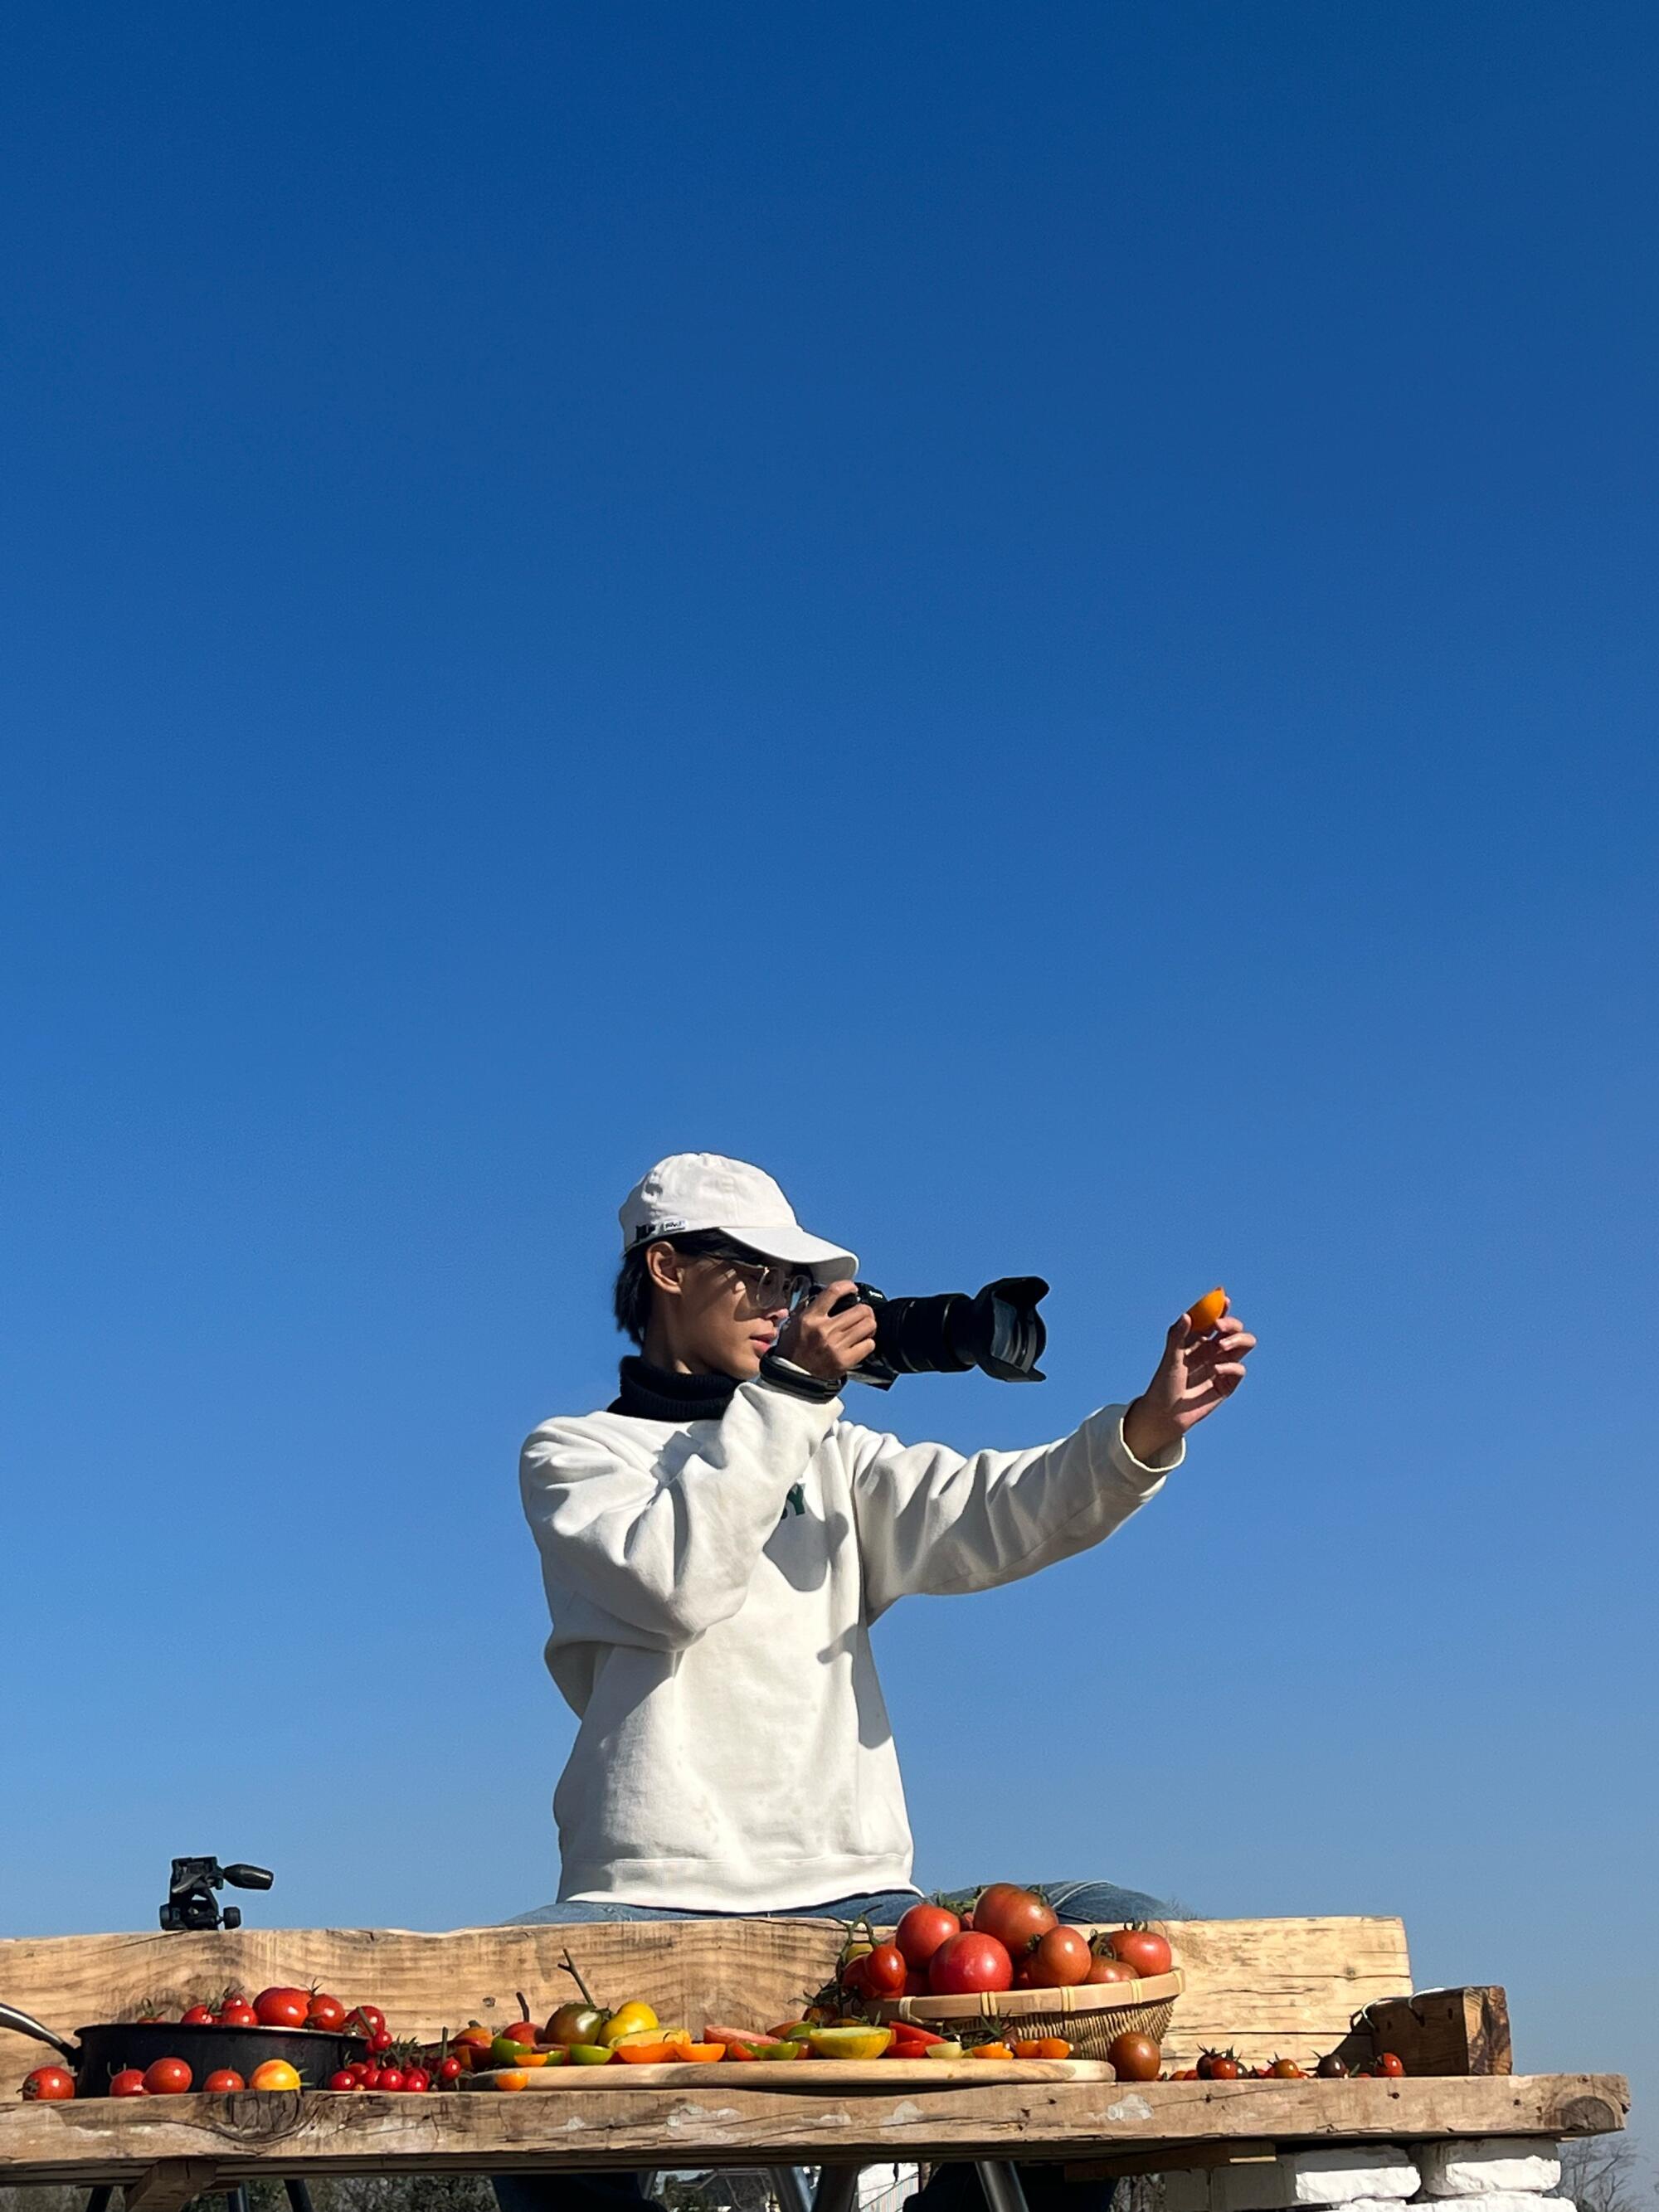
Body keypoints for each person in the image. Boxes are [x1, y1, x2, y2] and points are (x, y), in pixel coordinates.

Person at [498, 1152, 1255, 2212]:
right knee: (504, 2029)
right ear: (665, 1270)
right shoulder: (577, 1455)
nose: (779, 1304)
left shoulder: (827, 1449)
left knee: (1117, 1933)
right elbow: (676, 1582)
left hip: (853, 1891)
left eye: (791, 1286)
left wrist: (1144, 1428)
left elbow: (998, 1510)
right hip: (647, 1893)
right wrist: (791, 1397)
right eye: (755, 1275)